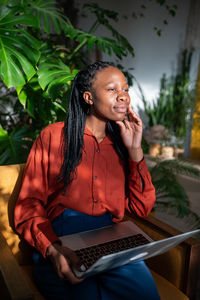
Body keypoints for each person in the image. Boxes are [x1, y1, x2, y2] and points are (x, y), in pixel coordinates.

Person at [14, 61, 160, 300]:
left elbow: (141, 208)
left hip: (112, 238)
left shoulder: (125, 143)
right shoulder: (53, 136)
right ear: (89, 97)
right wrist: (52, 249)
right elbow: (29, 203)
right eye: (112, 90)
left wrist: (135, 150)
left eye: (125, 90)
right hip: (61, 236)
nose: (123, 97)